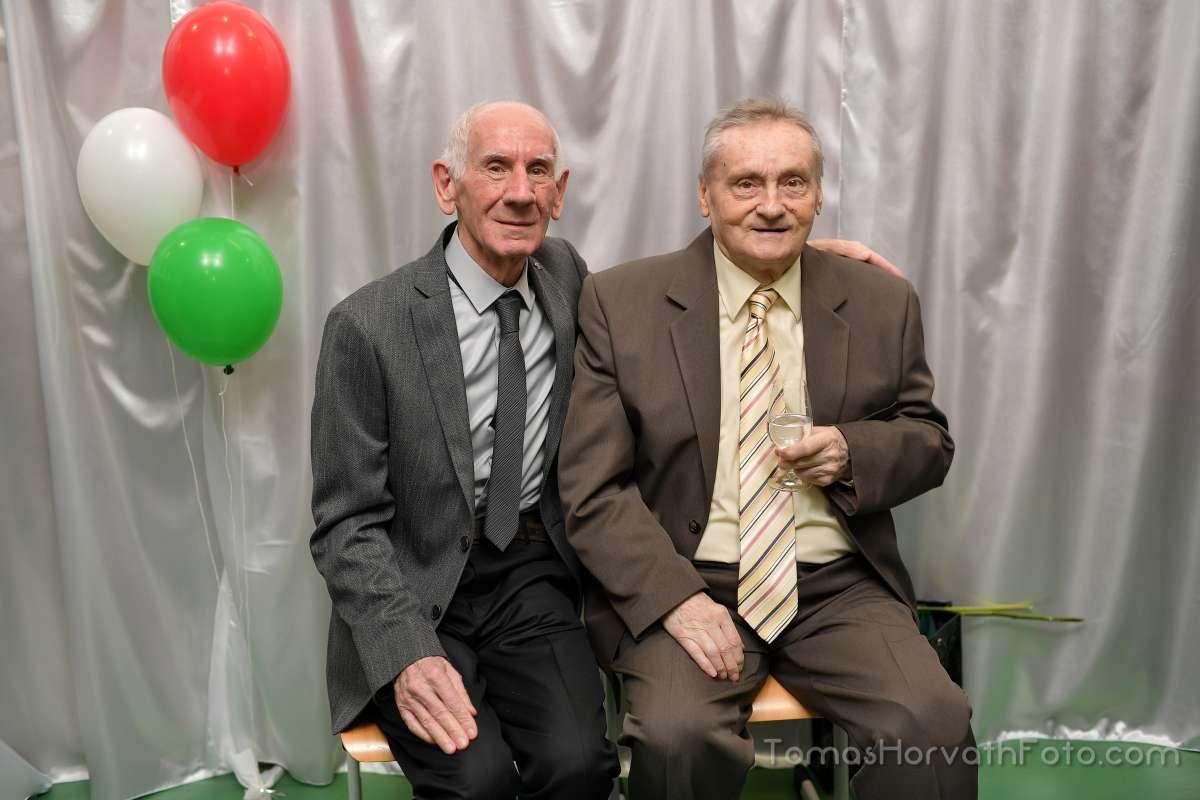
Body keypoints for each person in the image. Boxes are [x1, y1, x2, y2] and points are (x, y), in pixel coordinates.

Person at [559, 97, 977, 799]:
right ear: (705, 196)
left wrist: (852, 451)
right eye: (746, 183)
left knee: (930, 725)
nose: (772, 205)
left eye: (793, 182)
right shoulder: (620, 303)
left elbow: (928, 441)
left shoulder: (880, 300)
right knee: (677, 737)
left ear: (819, 195)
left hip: (839, 585)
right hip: (689, 579)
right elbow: (592, 487)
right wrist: (673, 600)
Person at [310, 101, 617, 799]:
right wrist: (405, 653)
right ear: (447, 185)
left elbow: (662, 306)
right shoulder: (366, 326)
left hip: (530, 571)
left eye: (538, 170)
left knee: (579, 768)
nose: (520, 191)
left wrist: (806, 265)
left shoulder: (567, 277)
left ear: (560, 193)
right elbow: (344, 525)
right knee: (478, 783)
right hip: (413, 584)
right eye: (496, 167)